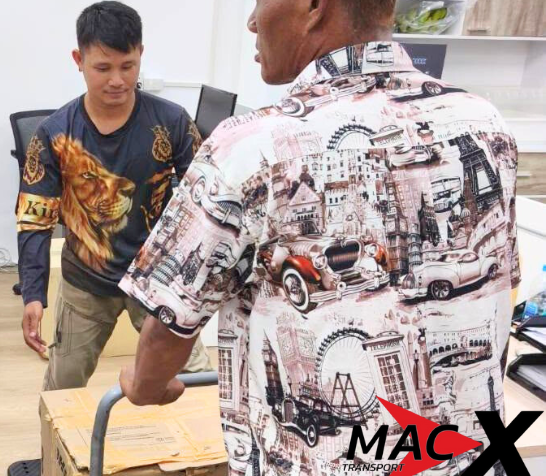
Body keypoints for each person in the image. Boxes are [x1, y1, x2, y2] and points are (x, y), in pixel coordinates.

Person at [118, 1, 519, 474]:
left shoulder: (249, 146)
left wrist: (145, 386)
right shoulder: (485, 123)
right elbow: (503, 284)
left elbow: (169, 320)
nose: (252, 21)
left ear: (312, 6)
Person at [17, 1, 213, 391]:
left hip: (157, 280)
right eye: (103, 68)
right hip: (85, 282)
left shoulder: (172, 122)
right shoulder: (54, 134)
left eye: (128, 66)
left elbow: (206, 200)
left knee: (200, 385)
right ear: (79, 60)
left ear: (141, 54)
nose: (117, 80)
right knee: (62, 389)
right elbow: (34, 220)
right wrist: (33, 294)